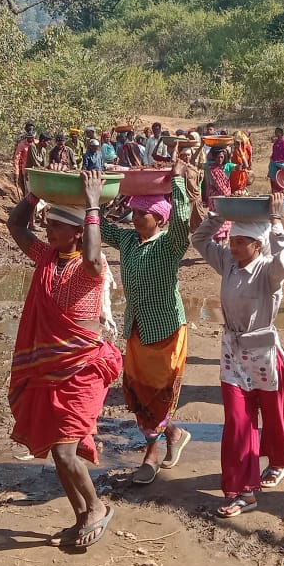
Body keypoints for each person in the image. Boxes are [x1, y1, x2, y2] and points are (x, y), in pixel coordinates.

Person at [5, 171, 122, 549]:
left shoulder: (92, 266)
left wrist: (92, 205)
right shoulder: (46, 257)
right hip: (48, 368)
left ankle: (97, 508)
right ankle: (83, 514)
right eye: (47, 224)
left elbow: (91, 253)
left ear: (76, 231)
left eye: (55, 226)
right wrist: (33, 195)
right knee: (59, 448)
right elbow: (16, 224)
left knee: (66, 448)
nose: (47, 230)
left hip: (82, 366)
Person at [190, 194, 284, 518]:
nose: (232, 247)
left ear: (258, 245)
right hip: (233, 355)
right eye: (232, 240)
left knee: (273, 418)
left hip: (262, 353)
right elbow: (199, 238)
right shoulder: (229, 263)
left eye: (240, 242)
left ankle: (276, 461)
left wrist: (276, 223)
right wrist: (218, 216)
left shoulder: (269, 272)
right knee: (238, 422)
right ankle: (243, 491)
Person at [101, 164, 196, 484]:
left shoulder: (170, 245)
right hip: (137, 327)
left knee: (161, 392)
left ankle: (151, 454)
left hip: (167, 329)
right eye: (134, 213)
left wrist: (180, 181)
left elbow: (184, 223)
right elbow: (98, 224)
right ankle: (174, 433)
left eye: (143, 214)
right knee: (140, 393)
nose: (136, 218)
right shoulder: (127, 241)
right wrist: (102, 189)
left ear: (160, 218)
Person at [13, 128, 36, 196]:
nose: (31, 139)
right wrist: (16, 172)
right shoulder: (22, 144)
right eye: (29, 137)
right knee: (28, 190)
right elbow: (16, 159)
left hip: (35, 170)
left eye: (32, 137)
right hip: (26, 171)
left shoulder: (36, 143)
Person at [268, 127, 284, 192]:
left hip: (280, 164)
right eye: (275, 131)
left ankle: (280, 193)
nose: (276, 133)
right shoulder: (277, 141)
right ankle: (274, 192)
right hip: (274, 163)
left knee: (279, 179)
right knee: (273, 179)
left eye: (277, 132)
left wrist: (280, 164)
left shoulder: (283, 142)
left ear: (281, 133)